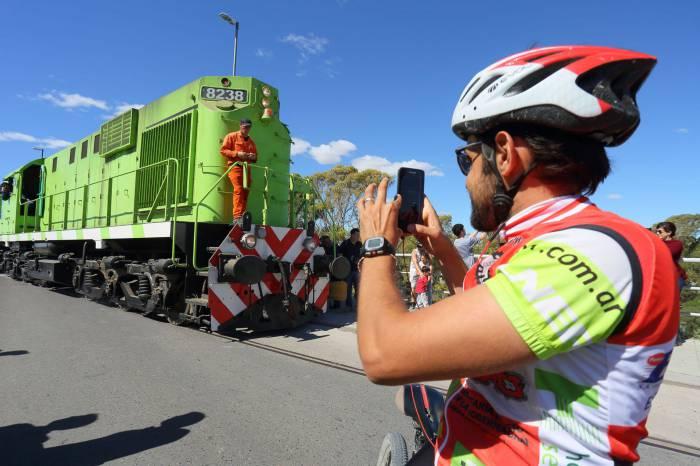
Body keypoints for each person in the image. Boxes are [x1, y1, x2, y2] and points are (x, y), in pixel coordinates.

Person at [355, 46, 678, 465]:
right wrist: (443, 248)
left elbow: (384, 355)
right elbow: (492, 308)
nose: (468, 179)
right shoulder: (556, 240)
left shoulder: (596, 251)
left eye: (466, 160)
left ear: (504, 154)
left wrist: (376, 246)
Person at [220, 118, 257, 224]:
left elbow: (255, 158)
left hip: (247, 169)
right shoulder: (231, 136)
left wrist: (252, 156)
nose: (246, 129)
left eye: (248, 127)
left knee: (245, 191)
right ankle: (237, 216)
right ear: (240, 126)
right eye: (245, 127)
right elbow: (223, 150)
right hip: (235, 167)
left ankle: (243, 215)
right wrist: (237, 154)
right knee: (239, 189)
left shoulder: (251, 142)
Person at [655, 221, 687, 290]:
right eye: (656, 231)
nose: (657, 233)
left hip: (674, 275)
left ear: (669, 232)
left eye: (660, 232)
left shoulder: (677, 244)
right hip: (660, 275)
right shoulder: (655, 243)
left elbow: (666, 253)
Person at [338, 228, 362, 308]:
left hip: (357, 270)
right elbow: (339, 256)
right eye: (357, 234)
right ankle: (349, 306)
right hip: (347, 271)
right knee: (347, 289)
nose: (358, 236)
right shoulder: (345, 243)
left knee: (358, 289)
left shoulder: (359, 244)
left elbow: (362, 255)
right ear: (352, 235)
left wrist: (359, 260)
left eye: (359, 235)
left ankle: (358, 306)